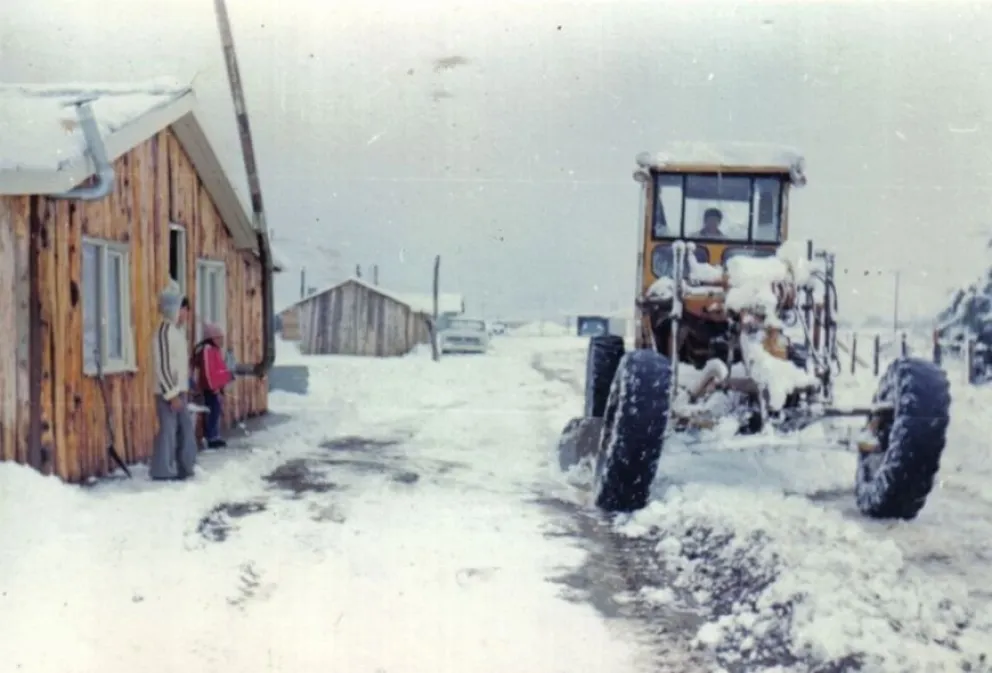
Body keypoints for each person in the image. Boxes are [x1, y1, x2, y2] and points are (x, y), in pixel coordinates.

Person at [148, 283, 198, 480]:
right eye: (183, 309)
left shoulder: (177, 332)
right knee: (168, 432)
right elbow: (162, 366)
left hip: (179, 390)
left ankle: (185, 467)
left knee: (184, 429)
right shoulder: (163, 333)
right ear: (174, 309)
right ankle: (162, 471)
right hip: (167, 392)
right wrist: (172, 394)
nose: (185, 314)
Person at [192, 322, 234, 448]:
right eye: (220, 338)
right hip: (208, 388)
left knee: (216, 410)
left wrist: (224, 379)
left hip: (214, 387)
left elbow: (219, 368)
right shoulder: (207, 350)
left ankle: (214, 435)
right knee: (213, 410)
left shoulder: (215, 350)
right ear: (212, 338)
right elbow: (208, 371)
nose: (222, 341)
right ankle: (211, 437)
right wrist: (214, 387)